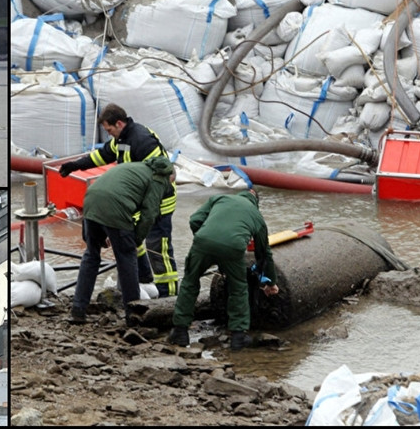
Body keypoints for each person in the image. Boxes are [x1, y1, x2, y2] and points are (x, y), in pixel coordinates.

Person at [59, 103, 180, 297]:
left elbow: (164, 178)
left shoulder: (143, 142)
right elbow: (103, 155)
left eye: (109, 130)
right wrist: (75, 166)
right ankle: (143, 280)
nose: (108, 135)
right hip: (136, 201)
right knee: (134, 243)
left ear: (119, 123)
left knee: (158, 250)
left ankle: (169, 297)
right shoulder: (122, 139)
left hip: (158, 203)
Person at [168, 188, 279, 351]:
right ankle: (238, 338)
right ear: (256, 203)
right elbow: (264, 252)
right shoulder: (256, 216)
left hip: (202, 241)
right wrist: (271, 281)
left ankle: (180, 332)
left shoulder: (220, 198)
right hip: (234, 248)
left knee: (189, 283)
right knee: (238, 289)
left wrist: (205, 239)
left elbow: (195, 220)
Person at [69, 156, 175, 325]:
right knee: (127, 259)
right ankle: (133, 314)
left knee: (91, 256)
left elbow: (115, 195)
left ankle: (78, 310)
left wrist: (102, 234)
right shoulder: (159, 179)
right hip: (115, 207)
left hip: (91, 200)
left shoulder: (135, 166)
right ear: (169, 176)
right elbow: (149, 215)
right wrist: (135, 240)